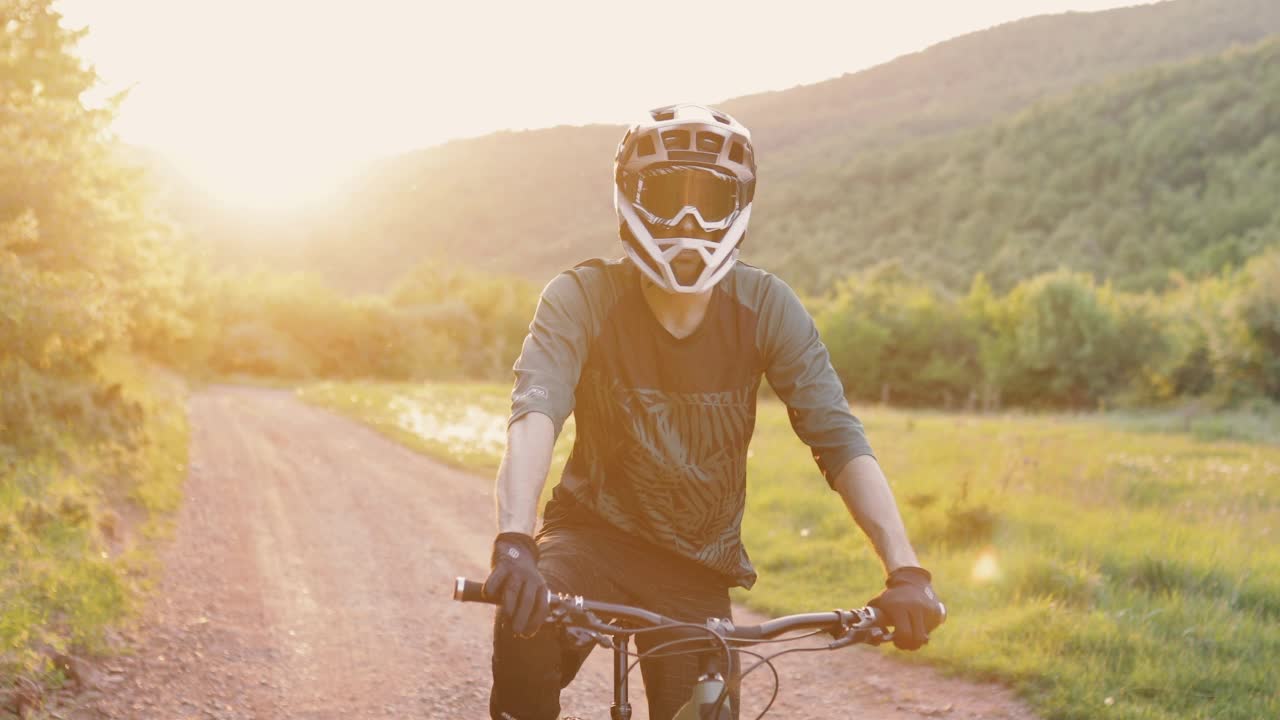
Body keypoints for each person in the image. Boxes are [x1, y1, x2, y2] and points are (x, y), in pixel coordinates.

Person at [484, 104, 942, 720]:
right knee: (524, 638)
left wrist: (906, 569)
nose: (689, 221)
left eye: (711, 199)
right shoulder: (582, 297)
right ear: (628, 199)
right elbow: (536, 410)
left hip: (697, 567)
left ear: (742, 207)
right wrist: (515, 542)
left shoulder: (767, 308)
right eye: (667, 195)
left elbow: (838, 439)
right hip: (589, 541)